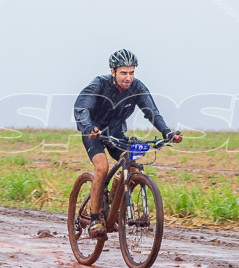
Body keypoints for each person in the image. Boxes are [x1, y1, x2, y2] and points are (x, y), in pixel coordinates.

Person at [74, 49, 181, 236]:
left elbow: (152, 112)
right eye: (124, 72)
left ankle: (113, 208)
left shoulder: (137, 87)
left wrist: (167, 132)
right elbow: (82, 107)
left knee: (132, 166)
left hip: (116, 135)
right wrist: (89, 127)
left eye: (131, 72)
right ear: (113, 72)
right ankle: (93, 220)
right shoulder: (99, 84)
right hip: (94, 134)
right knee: (102, 167)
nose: (128, 77)